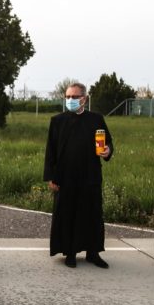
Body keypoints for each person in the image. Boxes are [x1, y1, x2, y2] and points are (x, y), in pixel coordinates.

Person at [43, 82, 113, 268]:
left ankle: (93, 252)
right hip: (66, 177)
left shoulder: (96, 119)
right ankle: (70, 252)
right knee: (68, 214)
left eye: (74, 97)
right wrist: (51, 176)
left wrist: (107, 150)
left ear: (84, 99)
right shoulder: (58, 121)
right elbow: (50, 151)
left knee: (92, 215)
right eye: (67, 97)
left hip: (90, 175)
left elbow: (108, 143)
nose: (70, 100)